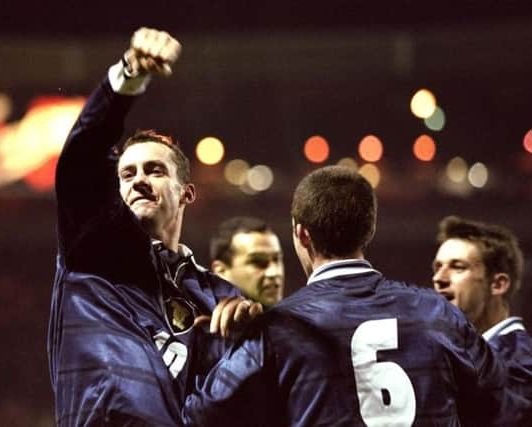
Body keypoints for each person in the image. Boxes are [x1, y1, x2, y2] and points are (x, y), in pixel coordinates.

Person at [183, 165, 521, 427]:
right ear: (370, 229)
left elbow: (202, 416)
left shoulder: (275, 330)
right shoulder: (436, 312)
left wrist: (218, 347)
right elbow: (498, 404)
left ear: (302, 235)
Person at [47, 27, 260, 427]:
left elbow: (232, 403)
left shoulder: (219, 298)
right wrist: (129, 75)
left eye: (154, 170)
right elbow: (82, 160)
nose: (138, 180)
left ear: (186, 194)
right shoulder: (91, 251)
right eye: (126, 175)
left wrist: (251, 340)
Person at [433, 215, 532, 425]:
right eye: (437, 267)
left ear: (498, 284)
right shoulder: (456, 356)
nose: (439, 278)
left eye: (458, 266)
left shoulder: (521, 363)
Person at [210, 216, 284, 308]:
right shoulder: (197, 320)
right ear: (221, 271)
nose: (274, 272)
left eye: (276, 259)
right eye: (258, 262)